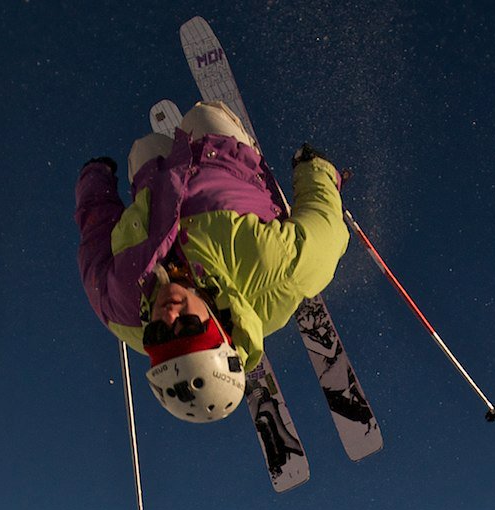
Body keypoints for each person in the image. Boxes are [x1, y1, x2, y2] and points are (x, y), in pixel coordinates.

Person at [75, 101, 349, 423]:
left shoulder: (122, 311)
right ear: (221, 333)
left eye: (159, 336)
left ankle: (159, 153)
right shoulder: (274, 274)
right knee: (202, 114)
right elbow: (326, 230)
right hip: (220, 155)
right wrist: (315, 170)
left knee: (143, 147)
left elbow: (95, 239)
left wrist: (94, 181)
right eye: (188, 327)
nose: (168, 315)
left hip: (152, 179)